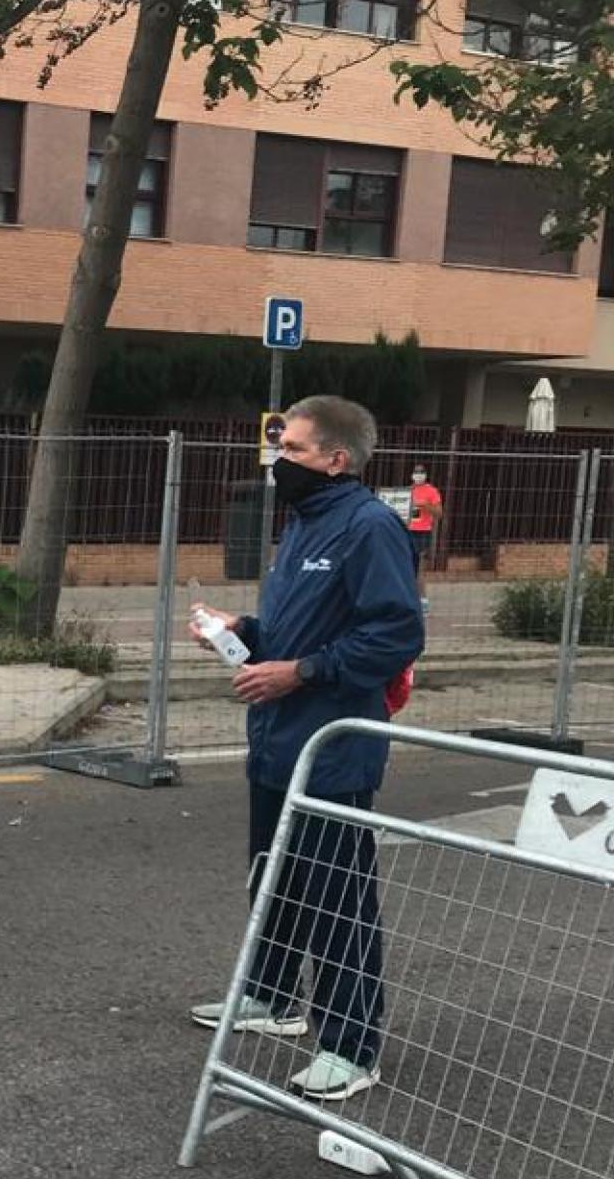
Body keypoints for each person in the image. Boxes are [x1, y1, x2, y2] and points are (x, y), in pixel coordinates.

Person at [188, 395, 424, 1102]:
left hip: (330, 750)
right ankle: (273, 995)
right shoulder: (301, 526)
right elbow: (302, 627)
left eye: (291, 449)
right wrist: (247, 631)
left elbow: (395, 634)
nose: (277, 460)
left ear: (335, 459)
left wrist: (302, 672)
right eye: (279, 446)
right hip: (274, 741)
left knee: (337, 897)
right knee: (273, 874)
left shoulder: (369, 528)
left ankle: (352, 1047)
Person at [406, 463, 443, 612]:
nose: (418, 475)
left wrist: (425, 506)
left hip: (422, 532)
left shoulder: (432, 491)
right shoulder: (409, 491)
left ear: (425, 475)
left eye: (421, 472)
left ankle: (423, 600)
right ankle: (409, 599)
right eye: (416, 472)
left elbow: (439, 513)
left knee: (420, 568)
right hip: (407, 531)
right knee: (407, 567)